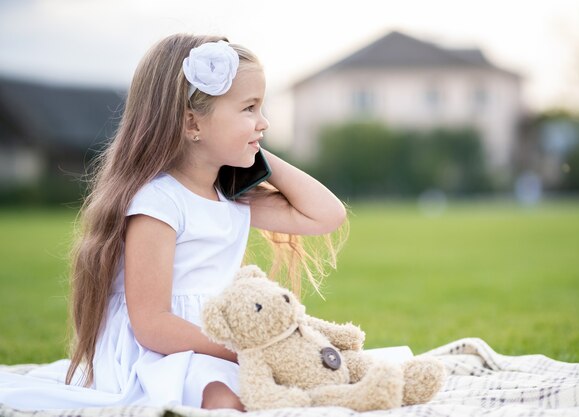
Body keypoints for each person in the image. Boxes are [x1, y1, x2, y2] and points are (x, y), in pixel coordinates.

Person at [0, 34, 346, 410]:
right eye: (249, 108)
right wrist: (245, 350)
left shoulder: (230, 197)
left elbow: (326, 214)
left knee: (297, 386)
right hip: (160, 352)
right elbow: (152, 324)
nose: (263, 122)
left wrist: (256, 150)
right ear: (191, 123)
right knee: (227, 396)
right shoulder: (159, 202)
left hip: (212, 342)